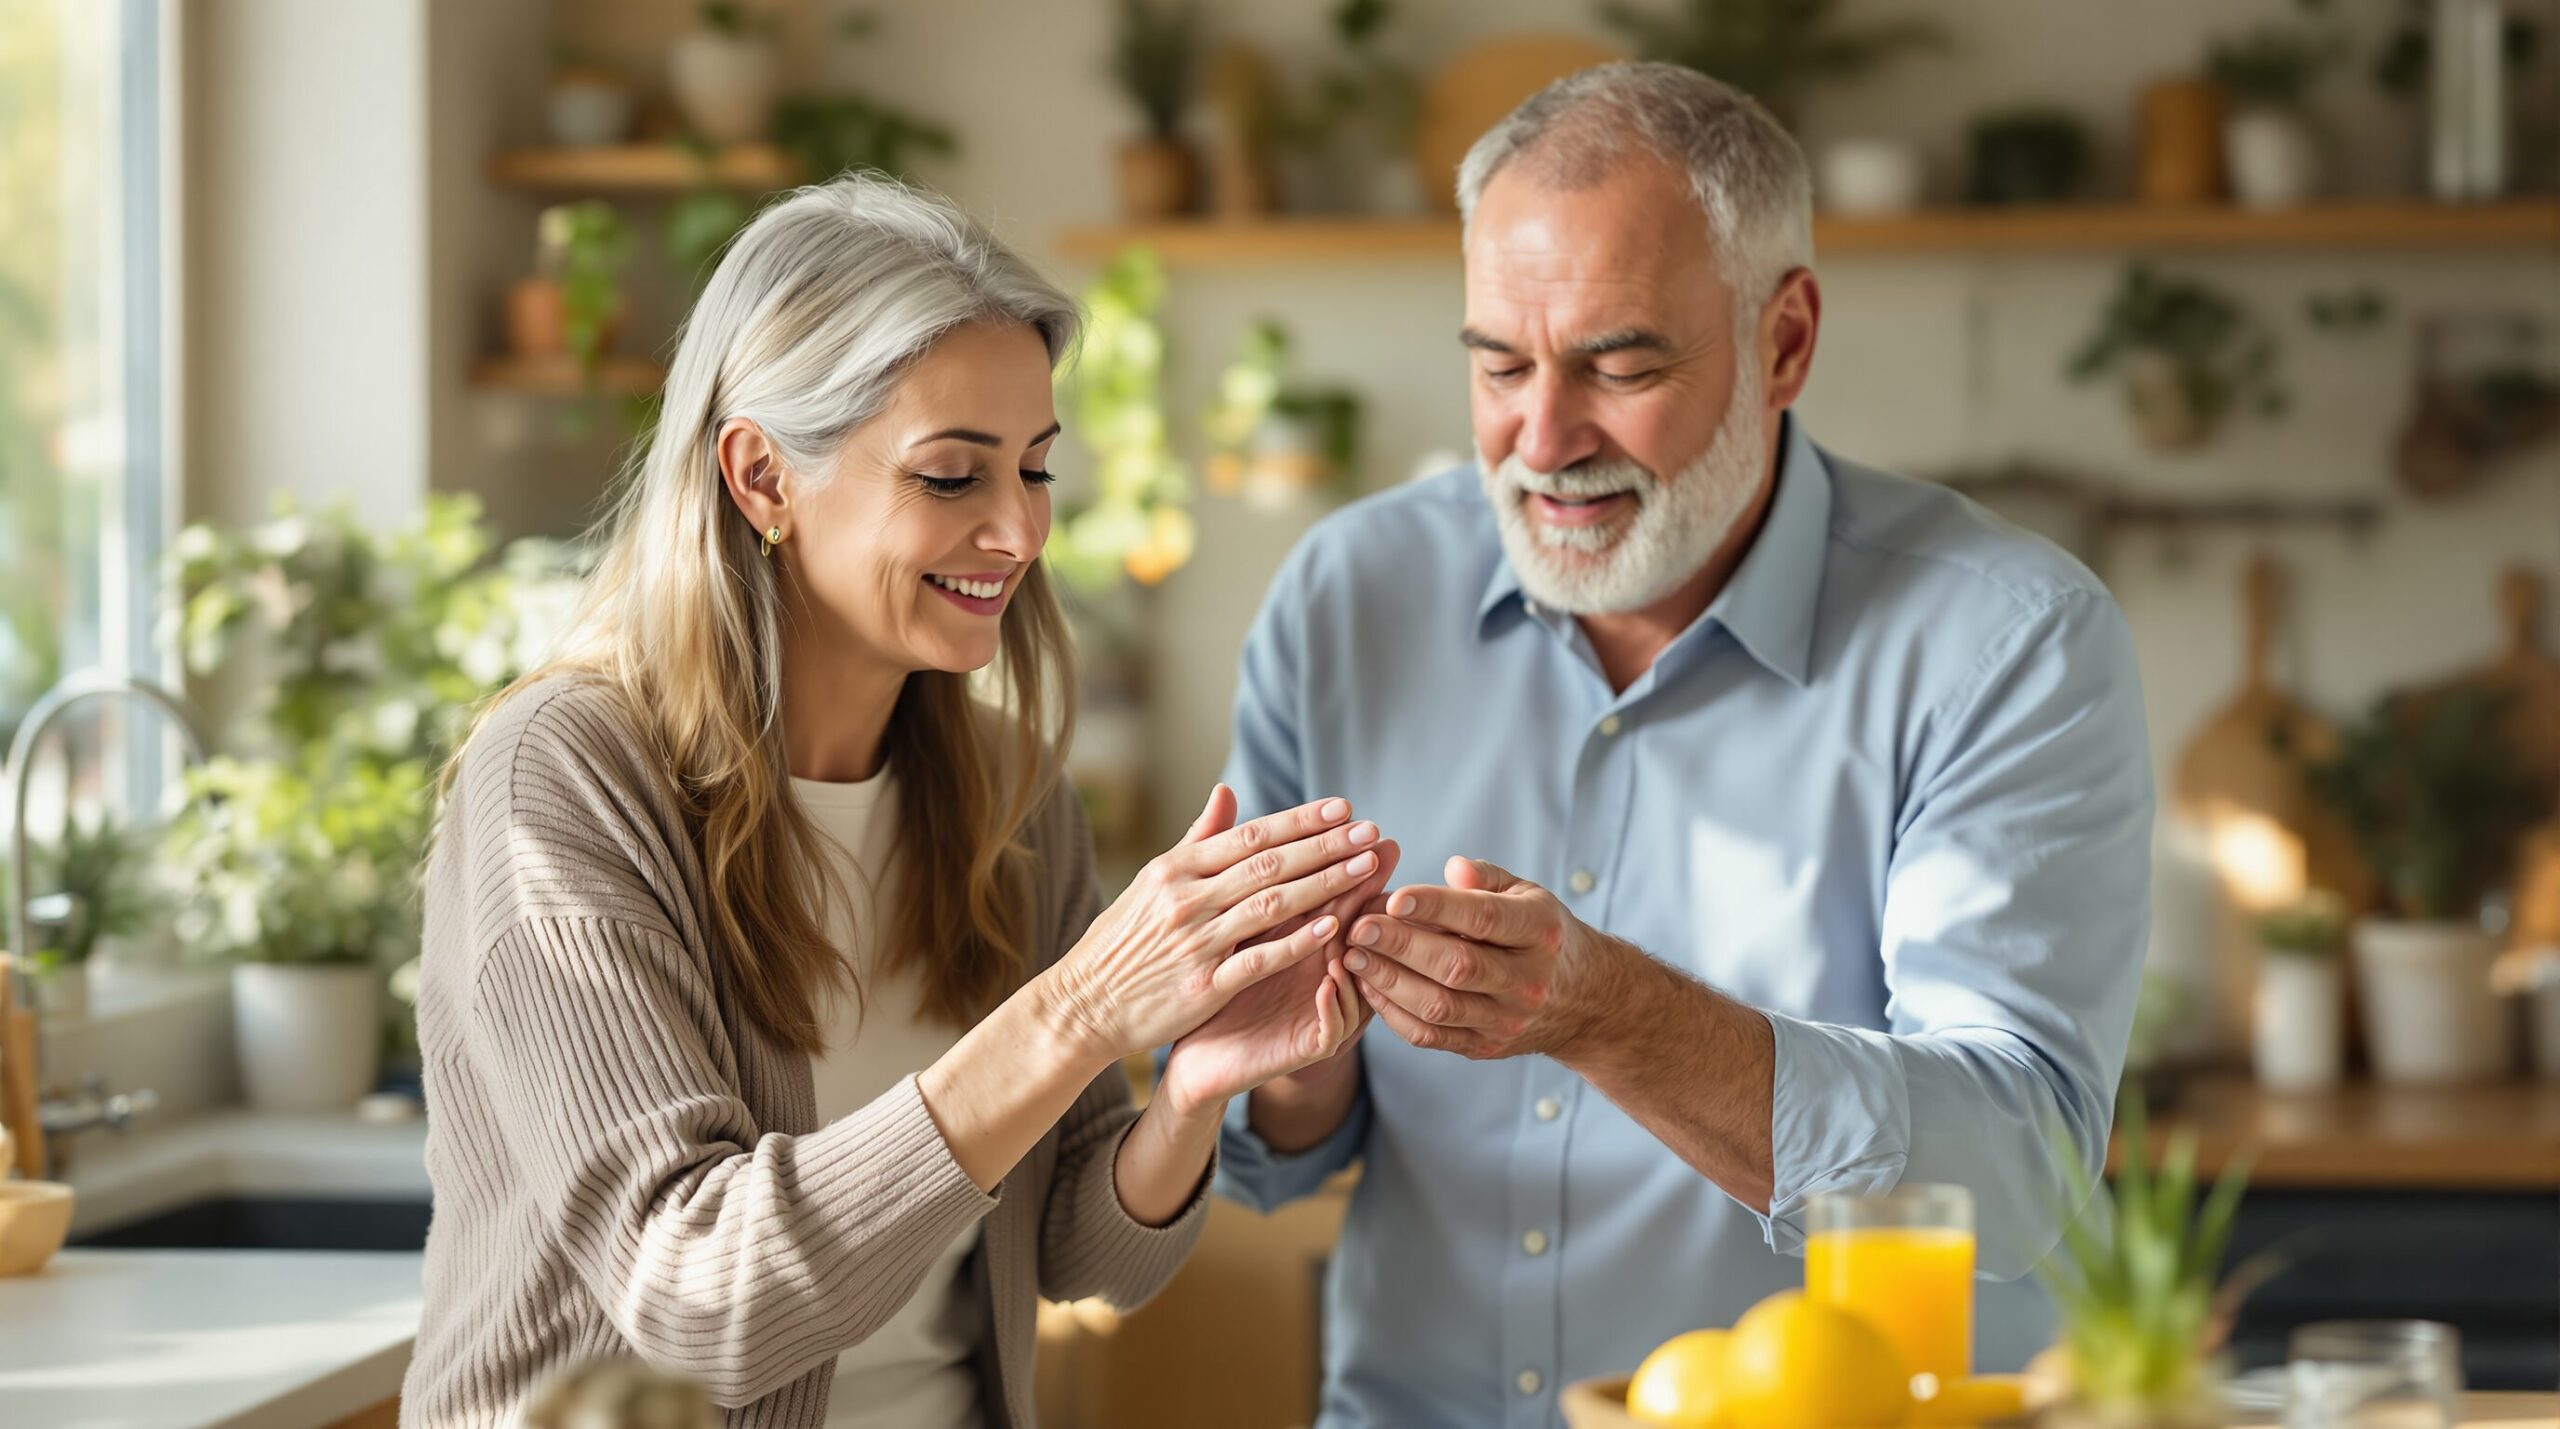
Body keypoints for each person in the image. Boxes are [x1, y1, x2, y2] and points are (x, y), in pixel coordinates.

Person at [1213, 63, 2153, 1426]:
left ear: (1784, 341)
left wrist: (1610, 1015)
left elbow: (2012, 1178)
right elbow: (1278, 1155)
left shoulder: (2008, 640)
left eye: (1621, 363)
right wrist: (1293, 1059)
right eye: (1498, 363)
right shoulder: (1344, 598)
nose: (1543, 437)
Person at [405, 174, 1395, 1429]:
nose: (1017, 530)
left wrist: (1192, 1089)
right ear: (761, 475)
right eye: (949, 477)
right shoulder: (562, 779)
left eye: (1033, 469)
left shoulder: (1008, 794)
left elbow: (1087, 1255)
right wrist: (1082, 1007)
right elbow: (701, 1301)